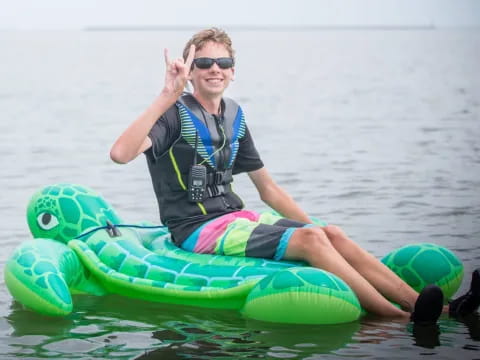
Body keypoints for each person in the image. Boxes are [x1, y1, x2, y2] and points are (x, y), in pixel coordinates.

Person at [110, 27, 479, 323]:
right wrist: (166, 95)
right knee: (311, 242)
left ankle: (433, 307)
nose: (214, 68)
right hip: (197, 227)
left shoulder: (234, 115)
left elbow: (267, 188)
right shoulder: (173, 115)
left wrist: (317, 229)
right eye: (203, 61)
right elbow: (120, 154)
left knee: (328, 233)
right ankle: (395, 316)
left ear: (233, 71)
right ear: (190, 71)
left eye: (223, 61)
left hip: (236, 218)